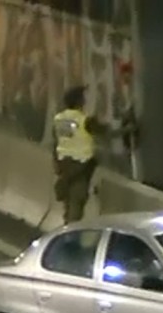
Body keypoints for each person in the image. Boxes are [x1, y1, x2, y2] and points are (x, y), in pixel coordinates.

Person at [51, 85, 136, 224]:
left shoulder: (59, 119)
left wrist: (56, 164)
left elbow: (56, 143)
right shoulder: (84, 120)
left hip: (65, 168)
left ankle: (65, 234)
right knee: (76, 209)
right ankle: (70, 239)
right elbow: (107, 134)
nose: (85, 100)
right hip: (81, 168)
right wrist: (128, 129)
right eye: (83, 98)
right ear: (79, 101)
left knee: (68, 207)